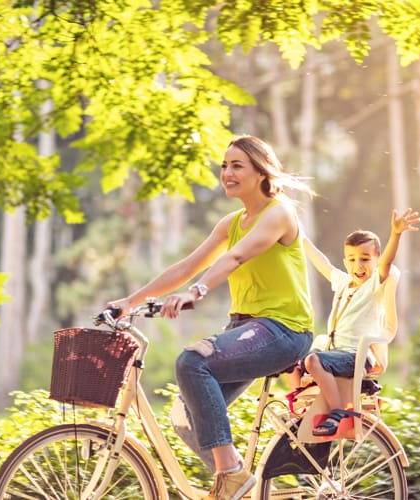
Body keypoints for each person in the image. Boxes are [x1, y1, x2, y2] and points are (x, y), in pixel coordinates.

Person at [107, 135, 315, 499]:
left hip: (284, 330)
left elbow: (235, 258)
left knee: (191, 362)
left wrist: (197, 293)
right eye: (224, 165)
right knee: (185, 420)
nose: (227, 173)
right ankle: (237, 483)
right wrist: (130, 300)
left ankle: (231, 473)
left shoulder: (279, 213)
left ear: (261, 172)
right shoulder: (232, 222)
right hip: (246, 328)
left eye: (237, 165)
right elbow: (188, 265)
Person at [292, 208, 420, 437]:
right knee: (291, 359)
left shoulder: (373, 286)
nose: (358, 265)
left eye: (365, 259)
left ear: (376, 261)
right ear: (345, 262)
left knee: (313, 361)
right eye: (352, 259)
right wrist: (299, 233)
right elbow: (322, 262)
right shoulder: (343, 282)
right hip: (335, 353)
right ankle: (300, 410)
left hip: (357, 357)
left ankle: (339, 410)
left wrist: (396, 234)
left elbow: (388, 262)